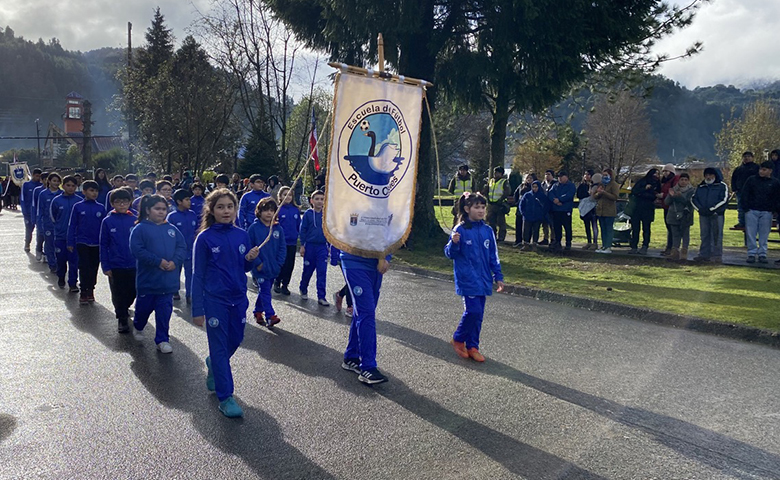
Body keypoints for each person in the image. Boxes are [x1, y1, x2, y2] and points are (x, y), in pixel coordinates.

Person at [192, 188, 259, 418]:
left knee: (236, 340)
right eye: (220, 207)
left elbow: (244, 267)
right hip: (215, 301)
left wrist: (250, 259)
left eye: (230, 206)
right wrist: (197, 309)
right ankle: (225, 397)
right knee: (220, 348)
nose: (226, 211)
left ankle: (214, 363)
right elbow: (197, 275)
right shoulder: (204, 238)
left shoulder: (242, 235)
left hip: (238, 299)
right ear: (211, 210)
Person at [444, 192, 505, 363]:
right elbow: (450, 253)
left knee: (479, 315)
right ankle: (458, 338)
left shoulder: (488, 230)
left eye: (483, 207)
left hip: (484, 278)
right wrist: (454, 243)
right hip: (467, 278)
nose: (481, 211)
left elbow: (493, 255)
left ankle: (473, 346)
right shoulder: (460, 229)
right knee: (473, 311)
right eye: (477, 207)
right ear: (467, 209)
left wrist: (498, 275)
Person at [129, 195, 187, 354]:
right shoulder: (140, 228)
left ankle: (162, 339)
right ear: (148, 210)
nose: (161, 212)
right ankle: (138, 325)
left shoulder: (171, 229)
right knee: (143, 310)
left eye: (164, 209)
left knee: (164, 313)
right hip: (148, 282)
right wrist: (157, 262)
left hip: (167, 283)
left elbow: (182, 247)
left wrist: (175, 261)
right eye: (157, 209)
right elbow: (137, 250)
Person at [339, 250, 392, 384]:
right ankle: (368, 367)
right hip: (354, 262)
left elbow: (388, 237)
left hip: (376, 265)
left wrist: (386, 257)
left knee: (362, 312)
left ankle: (351, 356)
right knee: (366, 313)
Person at [100, 188, 138, 333]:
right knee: (118, 292)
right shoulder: (108, 221)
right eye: (118, 202)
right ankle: (121, 318)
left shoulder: (135, 219)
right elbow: (103, 244)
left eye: (125, 202)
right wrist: (105, 265)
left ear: (130, 202)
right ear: (112, 204)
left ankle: (125, 307)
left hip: (133, 263)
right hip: (116, 264)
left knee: (133, 291)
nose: (122, 205)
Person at [248, 197, 287, 327]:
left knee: (264, 291)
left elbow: (282, 247)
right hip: (260, 268)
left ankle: (258, 311)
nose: (269, 213)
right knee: (265, 291)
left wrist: (279, 264)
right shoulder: (253, 228)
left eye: (272, 210)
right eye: (266, 210)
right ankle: (270, 316)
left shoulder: (278, 229)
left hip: (273, 268)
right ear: (259, 212)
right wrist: (258, 264)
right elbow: (250, 247)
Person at [67, 180, 106, 304]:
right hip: (82, 242)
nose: (94, 193)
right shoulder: (78, 206)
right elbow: (72, 225)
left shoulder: (101, 208)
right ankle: (83, 290)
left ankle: (91, 289)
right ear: (84, 192)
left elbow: (105, 228)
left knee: (94, 267)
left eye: (96, 191)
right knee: (84, 267)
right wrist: (70, 242)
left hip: (96, 243)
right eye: (91, 190)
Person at [741, 161, 780, 264]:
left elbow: (776, 197)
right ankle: (751, 253)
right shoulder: (751, 180)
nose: (761, 171)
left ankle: (762, 253)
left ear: (770, 171)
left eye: (764, 170)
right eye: (760, 169)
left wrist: (774, 209)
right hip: (752, 210)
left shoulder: (775, 183)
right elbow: (745, 194)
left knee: (764, 234)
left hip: (767, 211)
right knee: (751, 233)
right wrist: (746, 208)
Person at [51, 176, 82, 291]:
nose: (70, 188)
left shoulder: (79, 201)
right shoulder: (56, 201)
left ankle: (73, 283)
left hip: (74, 237)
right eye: (68, 185)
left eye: (73, 186)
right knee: (61, 259)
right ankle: (61, 276)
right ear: (63, 186)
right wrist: (59, 227)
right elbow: (53, 217)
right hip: (61, 236)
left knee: (74, 261)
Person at [691, 167, 729, 263]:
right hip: (703, 215)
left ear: (715, 175)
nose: (708, 177)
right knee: (704, 235)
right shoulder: (700, 186)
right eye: (706, 175)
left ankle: (716, 256)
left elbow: (724, 200)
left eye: (711, 175)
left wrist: (711, 209)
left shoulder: (722, 186)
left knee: (716, 235)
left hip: (717, 215)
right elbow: (694, 199)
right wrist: (700, 209)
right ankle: (704, 254)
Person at [299, 190, 330, 305]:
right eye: (317, 199)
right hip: (310, 246)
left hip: (322, 247)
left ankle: (321, 296)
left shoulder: (326, 214)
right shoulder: (308, 214)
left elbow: (330, 231)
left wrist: (329, 245)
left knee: (322, 272)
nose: (319, 201)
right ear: (311, 201)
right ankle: (303, 288)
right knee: (308, 270)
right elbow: (303, 230)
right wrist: (302, 245)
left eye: (322, 199)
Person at [167, 189, 198, 303]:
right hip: (176, 251)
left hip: (190, 249)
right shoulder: (172, 217)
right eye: (187, 199)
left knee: (190, 273)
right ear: (179, 202)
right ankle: (175, 290)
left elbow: (196, 230)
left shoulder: (192, 214)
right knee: (175, 271)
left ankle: (190, 294)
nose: (190, 202)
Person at [274, 186, 300, 296]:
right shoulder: (278, 210)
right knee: (282, 263)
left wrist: (298, 236)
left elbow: (298, 225)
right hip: (281, 242)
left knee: (290, 265)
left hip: (292, 242)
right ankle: (277, 281)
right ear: (280, 196)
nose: (288, 197)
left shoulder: (295, 210)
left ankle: (285, 284)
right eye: (285, 195)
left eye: (290, 195)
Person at [628, 168, 661, 255]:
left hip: (648, 209)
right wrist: (644, 189)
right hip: (637, 208)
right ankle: (634, 246)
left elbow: (655, 195)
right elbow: (634, 191)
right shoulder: (642, 181)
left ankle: (645, 245)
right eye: (655, 173)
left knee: (646, 228)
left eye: (658, 174)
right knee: (635, 228)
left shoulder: (657, 184)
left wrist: (644, 194)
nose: (656, 176)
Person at [663, 173, 694, 261]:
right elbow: (666, 202)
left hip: (685, 215)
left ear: (688, 181)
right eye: (682, 180)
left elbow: (688, 201)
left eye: (685, 180)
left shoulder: (692, 191)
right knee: (675, 234)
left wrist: (679, 196)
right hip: (673, 215)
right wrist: (671, 195)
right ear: (679, 180)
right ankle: (675, 251)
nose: (683, 182)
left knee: (685, 234)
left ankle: (684, 251)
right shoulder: (673, 189)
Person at [37, 173, 62, 274]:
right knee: (49, 245)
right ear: (49, 181)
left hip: (60, 225)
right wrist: (39, 225)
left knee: (59, 246)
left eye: (58, 181)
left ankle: (60, 264)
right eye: (54, 181)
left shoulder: (62, 194)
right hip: (47, 224)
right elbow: (40, 210)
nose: (56, 183)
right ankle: (52, 264)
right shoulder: (43, 194)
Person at [548, 170, 576, 251]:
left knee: (567, 227)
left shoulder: (571, 186)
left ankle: (568, 242)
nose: (560, 178)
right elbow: (550, 193)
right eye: (558, 177)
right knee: (557, 227)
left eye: (561, 177)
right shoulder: (555, 185)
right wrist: (554, 200)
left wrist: (560, 199)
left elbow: (569, 195)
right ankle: (557, 241)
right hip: (556, 210)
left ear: (566, 177)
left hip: (566, 209)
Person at [730, 152, 759, 230]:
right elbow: (733, 179)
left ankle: (752, 222)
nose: (747, 158)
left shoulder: (756, 168)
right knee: (740, 207)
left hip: (753, 192)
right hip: (741, 191)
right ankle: (742, 222)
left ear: (752, 157)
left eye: (749, 156)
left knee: (752, 208)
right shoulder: (738, 169)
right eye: (745, 156)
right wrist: (734, 189)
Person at [518, 180, 549, 251]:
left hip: (537, 217)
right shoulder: (527, 195)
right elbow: (521, 204)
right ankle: (526, 244)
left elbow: (546, 206)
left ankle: (534, 244)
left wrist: (542, 214)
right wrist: (523, 213)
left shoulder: (542, 196)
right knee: (526, 231)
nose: (534, 188)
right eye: (533, 187)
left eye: (536, 187)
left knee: (536, 231)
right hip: (527, 216)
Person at [594, 168, 620, 254]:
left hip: (609, 211)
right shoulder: (601, 184)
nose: (604, 177)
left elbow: (615, 197)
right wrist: (598, 193)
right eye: (603, 175)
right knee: (603, 229)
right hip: (600, 211)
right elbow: (595, 196)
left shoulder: (614, 184)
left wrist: (604, 192)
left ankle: (608, 246)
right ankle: (604, 245)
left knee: (609, 229)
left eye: (606, 175)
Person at [484, 166, 511, 242]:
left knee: (501, 222)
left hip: (499, 205)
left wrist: (501, 200)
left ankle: (501, 238)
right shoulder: (491, 181)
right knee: (491, 222)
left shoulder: (504, 182)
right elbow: (487, 190)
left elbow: (507, 192)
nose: (495, 174)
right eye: (495, 172)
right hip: (491, 204)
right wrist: (487, 198)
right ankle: (493, 236)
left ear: (501, 174)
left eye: (497, 173)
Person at [659, 164, 679, 256]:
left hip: (672, 208)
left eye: (666, 171)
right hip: (666, 206)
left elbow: (673, 192)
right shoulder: (666, 181)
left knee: (672, 229)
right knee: (669, 228)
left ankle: (672, 248)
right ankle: (669, 247)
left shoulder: (674, 180)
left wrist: (663, 195)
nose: (665, 173)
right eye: (663, 171)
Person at [21, 168, 42, 253]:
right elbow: (22, 198)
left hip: (38, 213)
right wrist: (24, 211)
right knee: (29, 229)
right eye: (37, 176)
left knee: (40, 231)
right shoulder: (26, 185)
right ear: (33, 175)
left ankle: (39, 247)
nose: (38, 178)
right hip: (29, 212)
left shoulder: (41, 186)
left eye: (39, 176)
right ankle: (27, 243)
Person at [512, 173, 535, 247]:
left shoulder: (534, 187)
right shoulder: (521, 186)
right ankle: (518, 241)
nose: (529, 179)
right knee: (518, 225)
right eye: (528, 178)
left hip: (529, 209)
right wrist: (516, 202)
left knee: (527, 227)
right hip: (520, 208)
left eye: (531, 178)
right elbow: (516, 194)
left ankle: (526, 242)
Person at [31, 173, 50, 262]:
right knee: (40, 236)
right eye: (45, 179)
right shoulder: (38, 190)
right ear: (42, 180)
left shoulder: (58, 192)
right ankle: (39, 249)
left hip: (51, 220)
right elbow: (34, 205)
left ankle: (46, 254)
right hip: (41, 218)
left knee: (49, 238)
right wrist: (34, 218)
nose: (47, 181)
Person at [540, 169, 557, 245]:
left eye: (549, 174)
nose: (547, 176)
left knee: (552, 224)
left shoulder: (555, 184)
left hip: (552, 207)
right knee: (544, 224)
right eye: (546, 174)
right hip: (544, 206)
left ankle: (553, 238)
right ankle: (545, 238)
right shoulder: (543, 184)